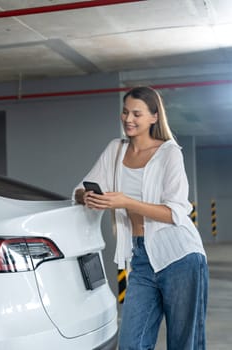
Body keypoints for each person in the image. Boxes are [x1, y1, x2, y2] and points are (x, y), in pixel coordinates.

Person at [73, 86, 208, 349]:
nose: (128, 119)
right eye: (125, 112)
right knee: (131, 343)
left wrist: (127, 202)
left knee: (184, 344)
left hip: (180, 256)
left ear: (154, 118)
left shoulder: (169, 153)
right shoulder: (115, 150)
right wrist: (87, 198)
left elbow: (176, 212)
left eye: (137, 113)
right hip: (142, 258)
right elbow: (79, 189)